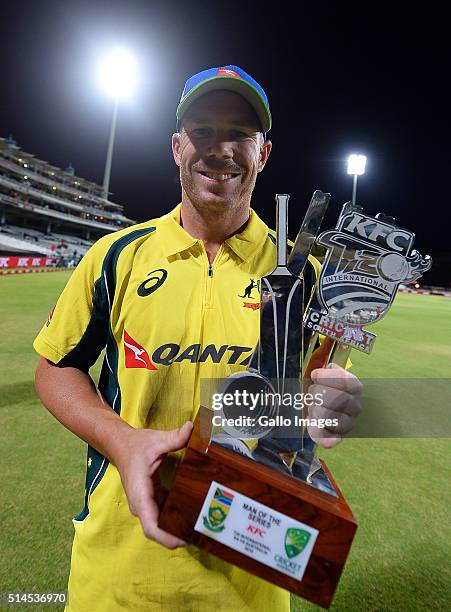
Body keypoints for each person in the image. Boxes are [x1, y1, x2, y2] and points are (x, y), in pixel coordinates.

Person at [33, 65, 363, 611]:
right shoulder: (117, 257)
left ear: (264, 153)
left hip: (250, 577)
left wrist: (330, 406)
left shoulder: (303, 273)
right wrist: (122, 440)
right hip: (119, 573)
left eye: (240, 133)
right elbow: (56, 366)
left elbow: (309, 397)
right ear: (176, 145)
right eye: (203, 130)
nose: (220, 148)